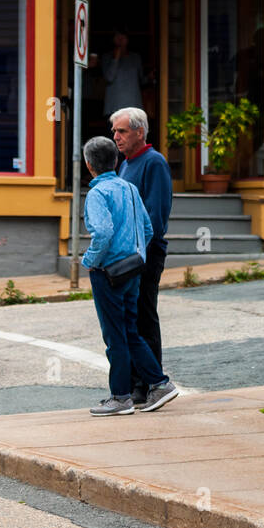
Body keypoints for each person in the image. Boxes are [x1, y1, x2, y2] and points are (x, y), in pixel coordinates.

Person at [79, 136, 178, 416]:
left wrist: (89, 261)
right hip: (133, 268)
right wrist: (137, 256)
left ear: (89, 165)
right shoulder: (130, 189)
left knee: (115, 336)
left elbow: (103, 232)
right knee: (131, 331)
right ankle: (159, 383)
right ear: (116, 161)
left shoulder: (98, 194)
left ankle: (121, 396)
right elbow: (147, 229)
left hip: (107, 271)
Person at [110, 106, 173, 404]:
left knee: (144, 317)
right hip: (128, 253)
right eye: (114, 131)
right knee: (129, 319)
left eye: (121, 131)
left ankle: (152, 384)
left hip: (144, 254)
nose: (116, 136)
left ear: (139, 132)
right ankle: (138, 384)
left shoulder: (153, 163)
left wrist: (136, 254)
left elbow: (155, 218)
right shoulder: (125, 164)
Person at [91, 31, 144, 117]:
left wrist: (149, 77)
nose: (120, 39)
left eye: (123, 36)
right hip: (115, 107)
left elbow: (141, 80)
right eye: (117, 36)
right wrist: (115, 58)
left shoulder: (135, 57)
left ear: (127, 39)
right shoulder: (107, 57)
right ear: (113, 39)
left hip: (134, 106)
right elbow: (109, 77)